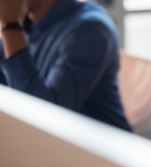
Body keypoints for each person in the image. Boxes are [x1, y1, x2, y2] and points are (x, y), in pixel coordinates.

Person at [0, 0, 131, 131]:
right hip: (51, 145)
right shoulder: (32, 23)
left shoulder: (91, 29)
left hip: (98, 148)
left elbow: (45, 118)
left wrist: (11, 26)